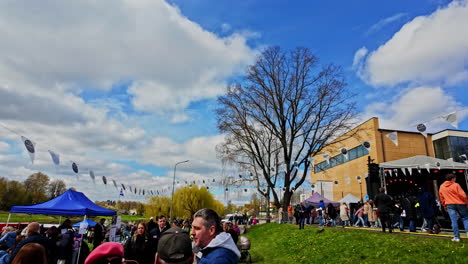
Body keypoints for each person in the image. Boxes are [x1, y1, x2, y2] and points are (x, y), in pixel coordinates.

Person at [439, 173, 468, 242]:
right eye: (455, 178)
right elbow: (463, 195)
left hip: (449, 204)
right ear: (452, 179)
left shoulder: (442, 186)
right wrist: (466, 202)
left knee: (453, 220)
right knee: (465, 218)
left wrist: (444, 205)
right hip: (460, 203)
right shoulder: (456, 185)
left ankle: (456, 237)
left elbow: (442, 197)